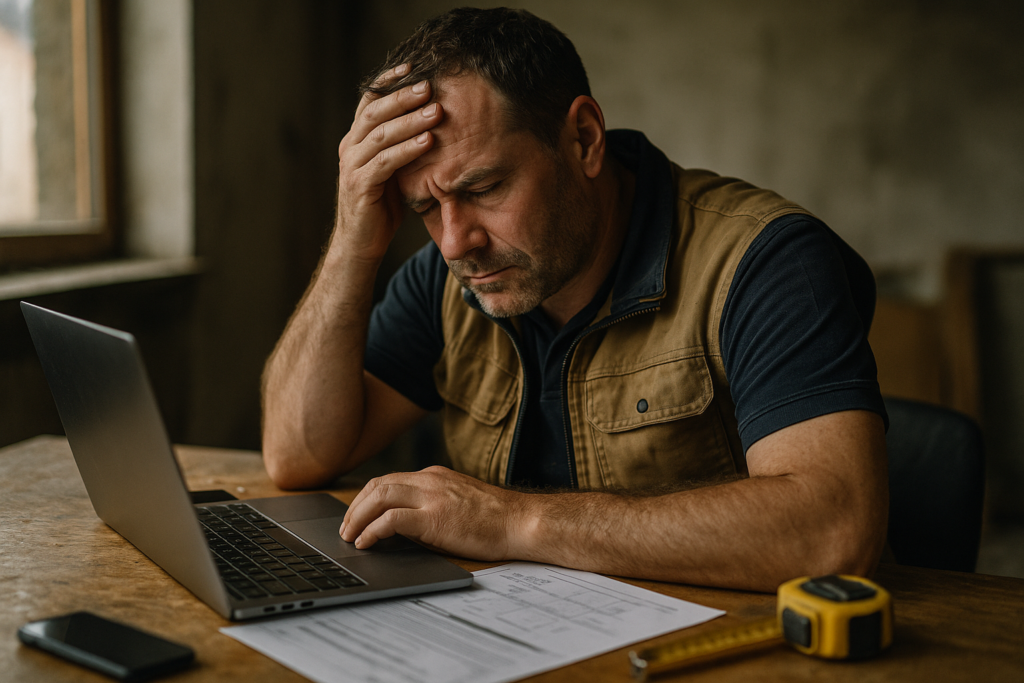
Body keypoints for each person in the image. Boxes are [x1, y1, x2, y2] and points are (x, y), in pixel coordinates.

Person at [261, 7, 889, 593]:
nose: (456, 242)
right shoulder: (446, 277)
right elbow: (298, 455)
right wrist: (351, 241)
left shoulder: (766, 259)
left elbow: (833, 529)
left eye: (483, 188)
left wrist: (513, 522)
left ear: (584, 139)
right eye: (425, 207)